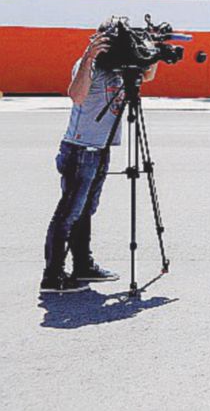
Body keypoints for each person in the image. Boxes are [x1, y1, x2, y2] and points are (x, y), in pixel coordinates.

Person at [41, 26, 156, 293]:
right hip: (80, 149)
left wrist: (151, 51)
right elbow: (76, 95)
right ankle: (52, 276)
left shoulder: (120, 69)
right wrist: (89, 56)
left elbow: (147, 75)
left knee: (85, 211)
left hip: (101, 149)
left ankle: (83, 266)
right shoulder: (88, 65)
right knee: (68, 214)